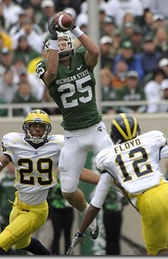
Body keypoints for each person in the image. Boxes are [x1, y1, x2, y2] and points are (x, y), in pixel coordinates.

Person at [66, 113, 168, 256]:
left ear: (113, 135)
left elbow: (95, 206)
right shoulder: (151, 141)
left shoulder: (109, 159)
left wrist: (80, 232)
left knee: (158, 252)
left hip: (150, 201)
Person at [35, 14, 113, 239]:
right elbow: (50, 74)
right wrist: (53, 37)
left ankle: (140, 197)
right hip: (72, 134)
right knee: (67, 190)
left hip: (96, 128)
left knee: (116, 169)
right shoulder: (44, 66)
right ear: (50, 47)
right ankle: (88, 212)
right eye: (55, 43)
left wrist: (75, 28)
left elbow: (96, 52)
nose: (60, 45)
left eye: (62, 41)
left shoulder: (82, 56)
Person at [0, 109, 100, 255]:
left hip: (36, 210)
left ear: (47, 129)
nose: (37, 130)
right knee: (22, 243)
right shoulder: (14, 142)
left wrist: (104, 181)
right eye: (33, 126)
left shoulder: (58, 145)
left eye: (41, 127)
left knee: (1, 242)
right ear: (27, 127)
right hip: (18, 204)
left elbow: (79, 171)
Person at [48, 183, 74, 255]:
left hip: (68, 210)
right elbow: (49, 195)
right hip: (56, 210)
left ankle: (68, 254)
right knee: (56, 235)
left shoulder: (70, 177)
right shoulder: (53, 179)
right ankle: (55, 254)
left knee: (68, 236)